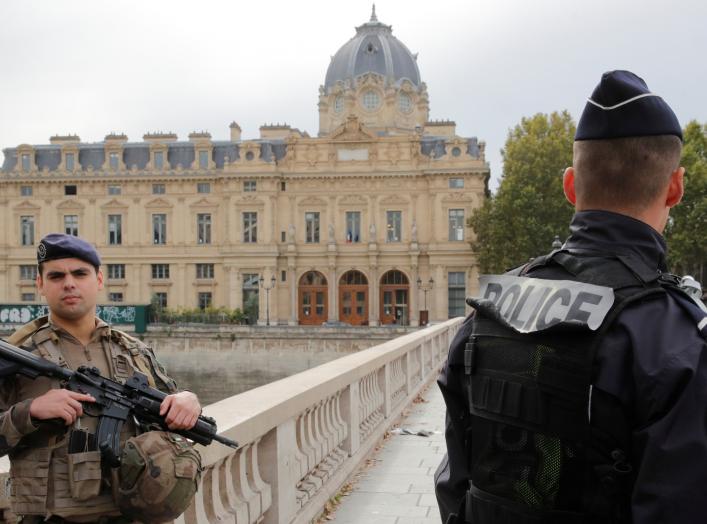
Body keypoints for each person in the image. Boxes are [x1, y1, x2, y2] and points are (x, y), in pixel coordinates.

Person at [434, 70, 707, 523]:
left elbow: (454, 487)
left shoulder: (488, 312)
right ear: (676, 187)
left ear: (570, 186)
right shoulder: (676, 341)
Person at [0, 233, 202, 523]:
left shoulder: (134, 352)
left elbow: (171, 408)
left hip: (130, 515)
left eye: (80, 273)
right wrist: (29, 413)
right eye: (56, 276)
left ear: (98, 280)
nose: (69, 283)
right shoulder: (16, 357)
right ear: (40, 285)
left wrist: (188, 399)